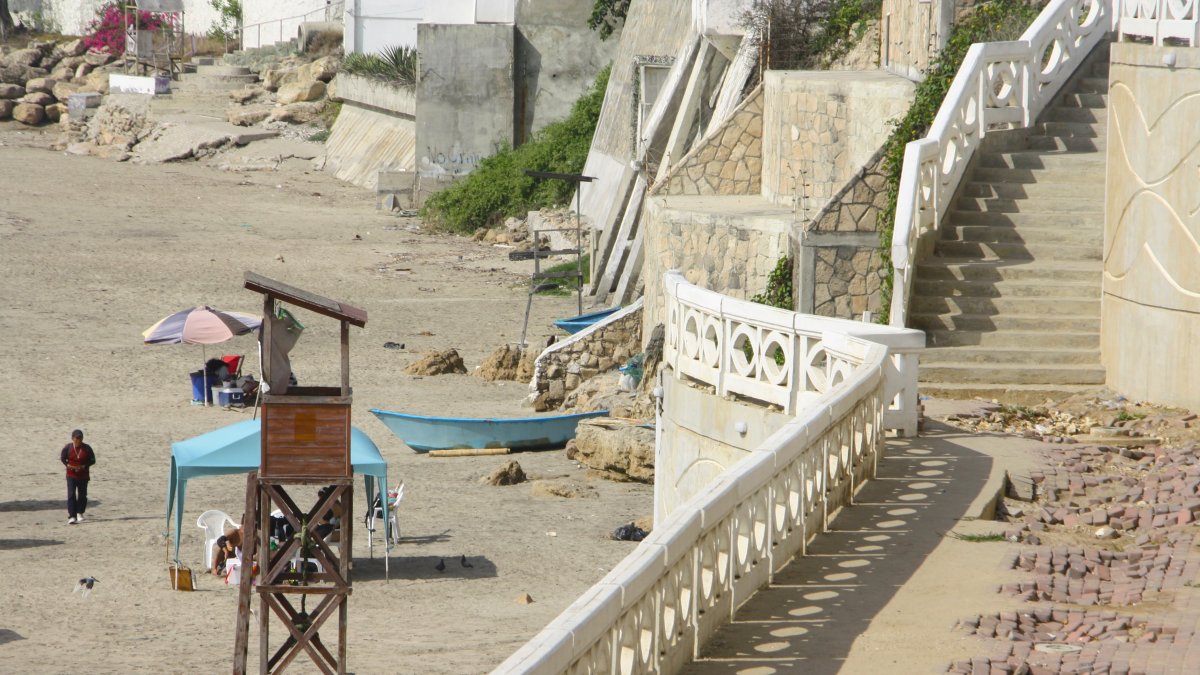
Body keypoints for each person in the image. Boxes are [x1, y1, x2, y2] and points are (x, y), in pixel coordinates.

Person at [60, 429, 96, 524]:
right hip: (71, 475)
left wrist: (84, 466)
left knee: (82, 495)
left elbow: (93, 460)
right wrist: (68, 465)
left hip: (83, 476)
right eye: (77, 438)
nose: (78, 440)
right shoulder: (68, 448)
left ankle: (80, 512)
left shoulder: (87, 448)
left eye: (80, 438)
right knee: (71, 494)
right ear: (72, 438)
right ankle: (72, 516)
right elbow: (63, 458)